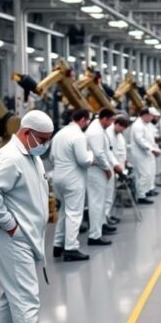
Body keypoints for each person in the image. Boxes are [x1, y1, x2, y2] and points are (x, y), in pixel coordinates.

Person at [0, 110, 67, 323]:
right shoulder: (10, 158)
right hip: (13, 238)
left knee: (10, 296)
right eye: (41, 139)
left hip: (24, 236)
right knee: (27, 298)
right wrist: (8, 223)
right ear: (26, 133)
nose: (45, 144)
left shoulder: (30, 156)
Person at [50, 108, 93, 262]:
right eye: (87, 121)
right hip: (73, 178)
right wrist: (91, 156)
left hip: (57, 177)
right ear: (83, 120)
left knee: (64, 211)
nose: (87, 124)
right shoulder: (79, 136)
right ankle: (71, 248)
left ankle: (57, 245)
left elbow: (51, 157)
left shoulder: (59, 134)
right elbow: (83, 160)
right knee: (74, 213)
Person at [85, 108, 122, 246]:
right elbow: (99, 153)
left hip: (100, 169)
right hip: (96, 170)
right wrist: (107, 168)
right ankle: (94, 236)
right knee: (96, 203)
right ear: (104, 118)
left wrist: (113, 165)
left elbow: (107, 150)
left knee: (101, 202)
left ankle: (101, 227)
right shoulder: (95, 131)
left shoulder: (100, 129)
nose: (112, 123)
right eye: (111, 120)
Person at [130, 107, 161, 204]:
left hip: (146, 153)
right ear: (145, 116)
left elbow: (149, 138)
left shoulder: (145, 124)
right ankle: (141, 196)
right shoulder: (138, 125)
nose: (151, 119)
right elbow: (140, 140)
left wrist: (154, 148)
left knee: (148, 174)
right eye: (150, 116)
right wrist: (151, 149)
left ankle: (145, 191)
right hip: (141, 154)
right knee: (144, 175)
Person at [103, 114, 131, 226]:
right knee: (107, 195)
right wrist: (116, 166)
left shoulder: (118, 134)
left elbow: (121, 151)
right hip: (111, 168)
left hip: (118, 169)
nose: (123, 130)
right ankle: (105, 219)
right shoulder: (108, 134)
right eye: (122, 127)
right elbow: (109, 154)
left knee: (112, 195)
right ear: (117, 124)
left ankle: (108, 215)